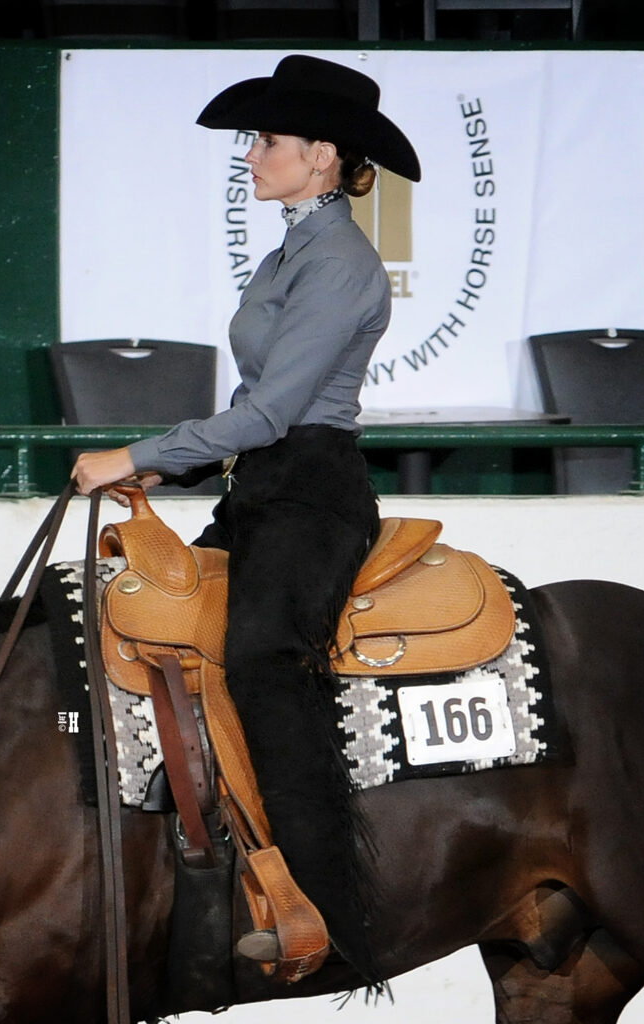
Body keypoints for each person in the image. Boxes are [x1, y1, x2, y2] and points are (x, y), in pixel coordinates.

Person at [72, 54, 420, 986]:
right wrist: (175, 471)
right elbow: (257, 412)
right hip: (264, 486)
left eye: (266, 140)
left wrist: (135, 455)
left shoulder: (341, 262)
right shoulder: (294, 249)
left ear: (319, 155)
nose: (251, 155)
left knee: (267, 665)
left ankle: (323, 916)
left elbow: (273, 413)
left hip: (310, 492)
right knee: (166, 636)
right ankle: (220, 870)